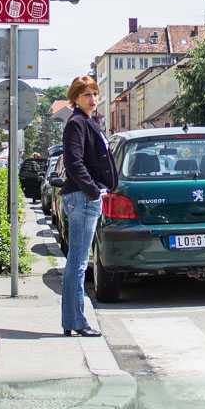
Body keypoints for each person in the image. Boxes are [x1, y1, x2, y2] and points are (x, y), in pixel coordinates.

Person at [60, 76, 116, 338]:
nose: (92, 99)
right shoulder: (77, 123)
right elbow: (73, 163)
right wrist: (93, 192)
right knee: (79, 263)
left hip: (85, 197)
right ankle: (76, 321)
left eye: (94, 94)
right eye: (86, 95)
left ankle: (74, 320)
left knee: (79, 261)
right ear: (75, 98)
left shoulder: (87, 121)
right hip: (82, 198)